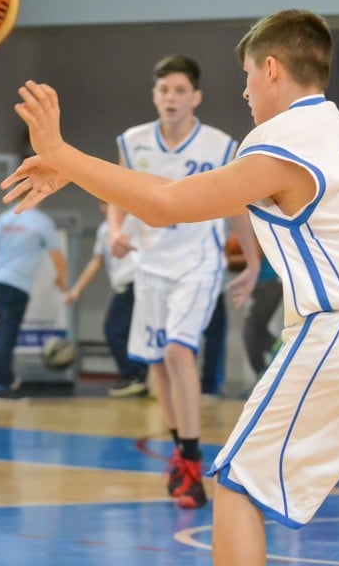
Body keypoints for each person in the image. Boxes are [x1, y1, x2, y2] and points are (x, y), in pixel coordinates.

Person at [3, 9, 339, 566]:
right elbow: (182, 189)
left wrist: (64, 155)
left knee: (239, 489)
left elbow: (166, 206)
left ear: (270, 69)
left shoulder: (286, 140)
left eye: (245, 77)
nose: (243, 91)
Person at [104, 54, 259, 509]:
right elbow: (117, 192)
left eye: (179, 91)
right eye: (163, 91)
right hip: (151, 266)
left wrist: (251, 263)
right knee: (158, 364)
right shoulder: (133, 143)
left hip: (198, 262)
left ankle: (191, 459)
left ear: (196, 97)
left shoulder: (220, 146)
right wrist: (115, 229)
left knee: (177, 351)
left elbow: (238, 207)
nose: (171, 98)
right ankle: (181, 451)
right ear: (155, 96)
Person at [0, 206, 68, 401]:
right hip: (16, 284)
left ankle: (7, 380)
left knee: (5, 332)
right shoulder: (41, 221)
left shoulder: (6, 218)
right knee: (7, 334)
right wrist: (62, 278)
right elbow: (57, 255)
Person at [65, 203, 148, 397]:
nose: (104, 207)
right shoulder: (105, 230)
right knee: (125, 331)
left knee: (114, 329)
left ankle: (135, 375)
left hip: (138, 283)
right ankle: (138, 376)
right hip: (123, 286)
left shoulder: (136, 223)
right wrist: (76, 290)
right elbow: (96, 261)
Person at [241, 250, 282, 379]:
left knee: (251, 332)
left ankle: (262, 376)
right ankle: (283, 351)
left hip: (269, 283)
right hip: (267, 283)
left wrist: (225, 259)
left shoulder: (253, 230)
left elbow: (255, 255)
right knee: (257, 332)